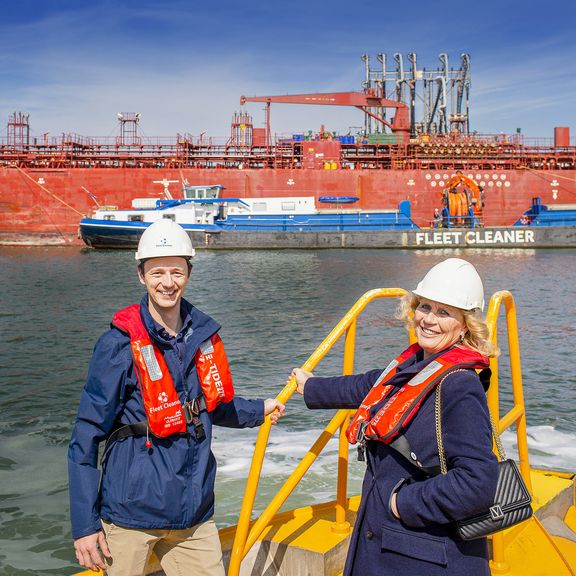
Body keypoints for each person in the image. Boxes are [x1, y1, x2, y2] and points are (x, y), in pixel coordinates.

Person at [68, 219, 285, 575]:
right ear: (141, 275)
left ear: (188, 273)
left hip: (192, 512)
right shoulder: (118, 346)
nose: (167, 283)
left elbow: (209, 405)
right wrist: (85, 526)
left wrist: (258, 409)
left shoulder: (201, 336)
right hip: (130, 513)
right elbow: (85, 436)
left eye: (176, 272)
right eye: (156, 272)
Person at [291, 258, 500, 576]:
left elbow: (477, 484)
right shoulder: (418, 362)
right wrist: (310, 387)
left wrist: (402, 503)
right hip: (393, 547)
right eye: (425, 307)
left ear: (465, 325)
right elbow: (369, 385)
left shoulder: (460, 385)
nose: (429, 320)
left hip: (423, 557)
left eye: (444, 312)